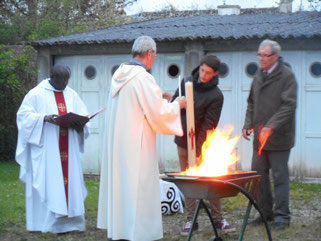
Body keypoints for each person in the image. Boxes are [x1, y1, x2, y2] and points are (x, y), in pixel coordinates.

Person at [97, 35, 186, 241]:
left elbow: (142, 103)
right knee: (139, 189)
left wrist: (160, 96)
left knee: (123, 188)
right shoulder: (143, 77)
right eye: (154, 56)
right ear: (150, 54)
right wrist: (177, 105)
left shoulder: (119, 75)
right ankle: (140, 234)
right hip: (137, 146)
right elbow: (158, 114)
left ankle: (122, 230)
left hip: (120, 145)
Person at [15, 64, 90, 233]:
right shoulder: (35, 94)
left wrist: (81, 125)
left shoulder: (71, 94)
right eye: (60, 80)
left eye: (66, 80)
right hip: (47, 151)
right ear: (52, 76)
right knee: (50, 184)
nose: (64, 84)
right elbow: (23, 117)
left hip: (68, 149)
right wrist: (43, 118)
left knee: (69, 184)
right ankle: (44, 224)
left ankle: (71, 224)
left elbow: (84, 116)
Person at [171, 55, 235, 236]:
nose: (203, 74)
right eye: (202, 70)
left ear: (215, 74)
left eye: (208, 72)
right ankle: (191, 219)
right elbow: (173, 106)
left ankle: (218, 218)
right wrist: (176, 103)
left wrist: (198, 151)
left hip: (203, 145)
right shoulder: (186, 82)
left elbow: (209, 125)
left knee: (211, 182)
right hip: (183, 140)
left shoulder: (216, 95)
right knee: (188, 181)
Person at [242, 39, 297, 230]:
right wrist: (248, 124)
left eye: (265, 55)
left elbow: (289, 105)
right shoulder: (258, 76)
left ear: (275, 57)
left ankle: (283, 217)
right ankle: (265, 213)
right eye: (259, 55)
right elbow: (251, 103)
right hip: (259, 138)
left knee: (280, 177)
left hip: (279, 138)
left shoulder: (287, 76)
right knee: (258, 176)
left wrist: (271, 126)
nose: (261, 59)